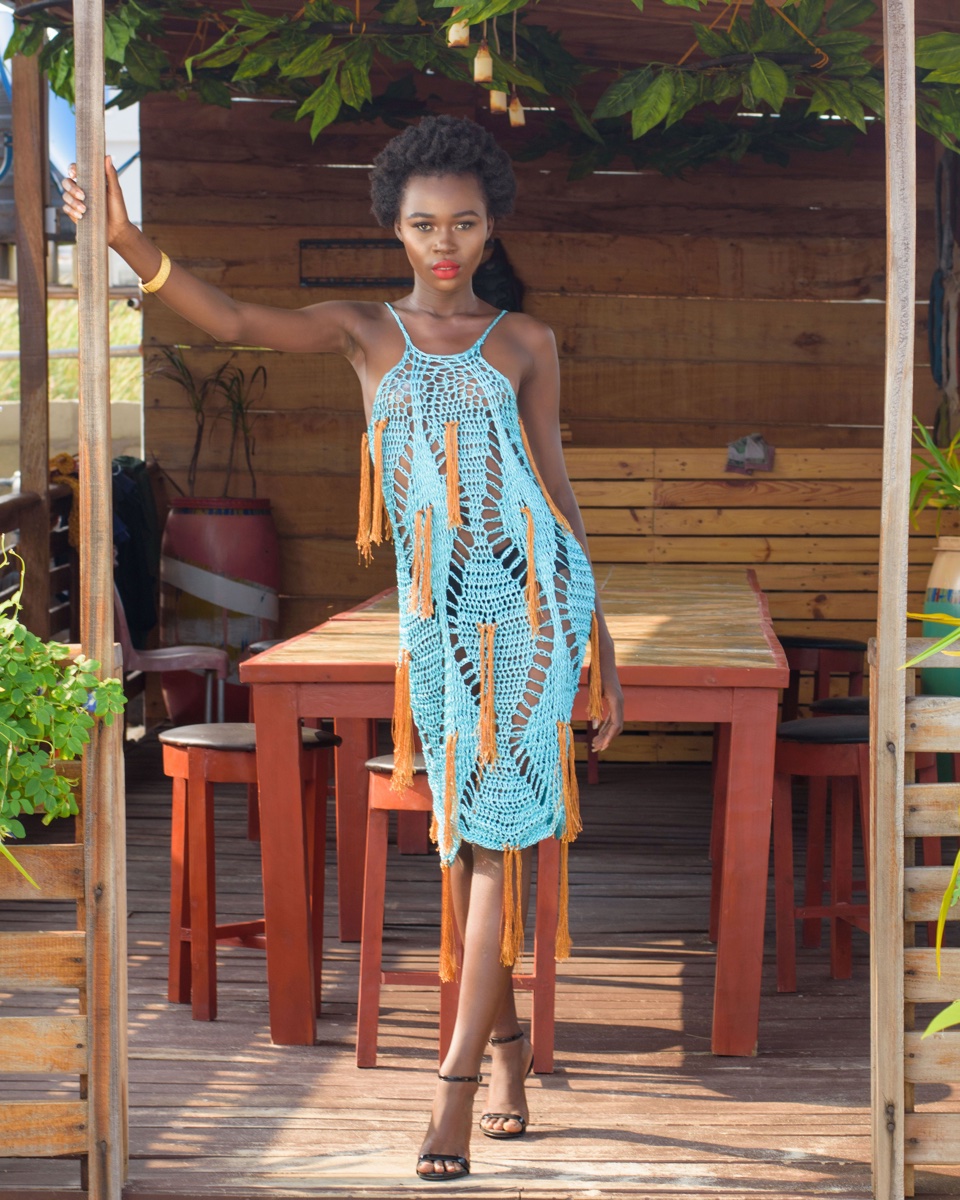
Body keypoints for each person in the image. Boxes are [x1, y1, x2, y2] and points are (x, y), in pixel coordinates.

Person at [64, 114, 624, 1182]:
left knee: (495, 841)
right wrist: (130, 242)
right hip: (438, 624)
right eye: (425, 225)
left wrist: (599, 642)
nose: (446, 243)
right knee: (462, 840)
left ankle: (452, 1091)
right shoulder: (365, 331)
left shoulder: (526, 342)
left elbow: (556, 487)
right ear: (395, 228)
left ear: (492, 224)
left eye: (465, 222)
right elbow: (232, 319)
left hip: (535, 612)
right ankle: (507, 1053)